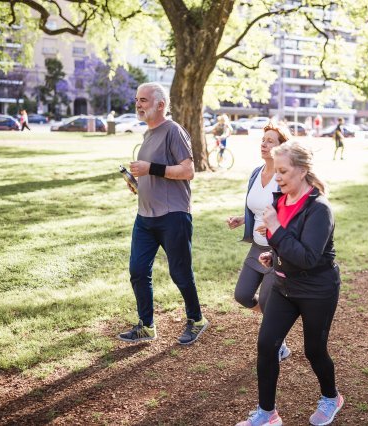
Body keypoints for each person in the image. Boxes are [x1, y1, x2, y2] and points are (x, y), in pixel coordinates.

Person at [236, 141, 344, 426]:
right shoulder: (280, 199)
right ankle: (267, 413)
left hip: (317, 290)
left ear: (302, 170)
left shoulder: (319, 209)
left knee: (314, 350)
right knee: (266, 344)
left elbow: (308, 257)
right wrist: (273, 256)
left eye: (283, 171)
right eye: (277, 171)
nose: (278, 176)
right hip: (285, 287)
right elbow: (285, 244)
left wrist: (275, 229)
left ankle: (331, 397)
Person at [117, 82, 209, 345]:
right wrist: (137, 184)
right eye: (137, 99)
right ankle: (146, 326)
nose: (138, 104)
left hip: (173, 216)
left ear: (161, 104)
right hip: (145, 217)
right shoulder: (147, 134)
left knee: (180, 272)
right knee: (137, 271)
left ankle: (197, 319)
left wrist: (151, 169)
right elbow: (152, 173)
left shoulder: (174, 131)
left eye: (144, 100)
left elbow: (188, 171)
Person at [226, 121, 292, 362]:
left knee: (266, 301)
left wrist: (276, 227)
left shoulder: (284, 177)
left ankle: (277, 341)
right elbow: (256, 208)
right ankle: (275, 326)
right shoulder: (256, 173)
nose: (264, 144)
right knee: (243, 296)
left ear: (282, 147)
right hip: (256, 246)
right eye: (263, 140)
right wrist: (241, 220)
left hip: (276, 250)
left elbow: (293, 212)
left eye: (270, 141)